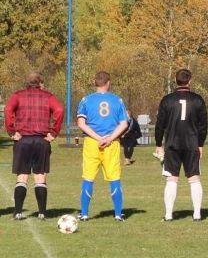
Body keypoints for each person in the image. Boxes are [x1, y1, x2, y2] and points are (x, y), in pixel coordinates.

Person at [4, 72, 64, 220]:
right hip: (41, 140)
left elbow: (7, 110)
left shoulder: (18, 95)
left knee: (22, 176)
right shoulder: (48, 96)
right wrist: (54, 132)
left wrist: (11, 131)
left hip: (23, 140)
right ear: (40, 83)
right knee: (40, 177)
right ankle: (42, 212)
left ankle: (18, 212)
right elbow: (59, 110)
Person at [155, 69, 208, 222]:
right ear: (189, 81)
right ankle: (197, 214)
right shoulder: (198, 100)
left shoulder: (167, 100)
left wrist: (159, 143)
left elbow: (160, 125)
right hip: (192, 143)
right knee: (194, 178)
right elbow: (203, 125)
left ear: (175, 81)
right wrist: (200, 143)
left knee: (172, 179)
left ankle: (168, 215)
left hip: (172, 143)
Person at [76, 71, 129, 221]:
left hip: (92, 143)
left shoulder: (86, 100)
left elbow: (81, 123)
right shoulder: (117, 100)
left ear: (95, 82)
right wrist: (110, 138)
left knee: (88, 177)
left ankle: (85, 214)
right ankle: (118, 214)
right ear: (108, 83)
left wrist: (98, 138)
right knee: (114, 178)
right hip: (111, 144)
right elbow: (124, 123)